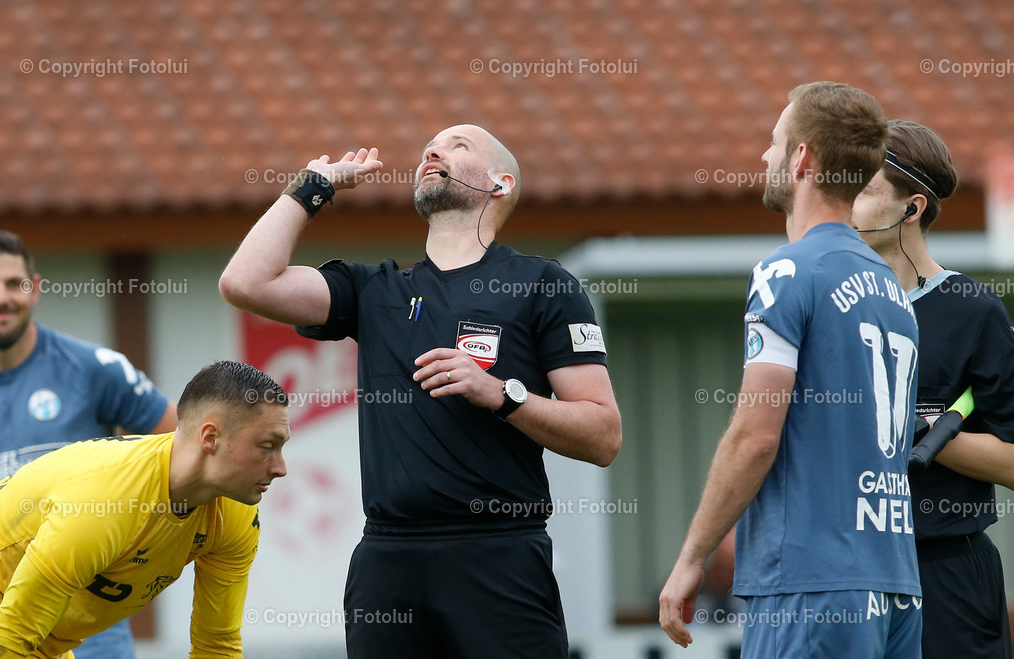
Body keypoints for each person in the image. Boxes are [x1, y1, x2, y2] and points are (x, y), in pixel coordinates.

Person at [219, 125, 622, 658]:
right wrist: (314, 185)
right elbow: (245, 283)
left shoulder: (543, 284)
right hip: (389, 559)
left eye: (459, 145)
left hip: (499, 555)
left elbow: (603, 435)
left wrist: (501, 393)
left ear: (499, 185)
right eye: (431, 146)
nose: (434, 150)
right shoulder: (375, 290)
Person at [659, 82, 922, 658]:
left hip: (812, 583)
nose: (764, 156)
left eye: (774, 142)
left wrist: (690, 558)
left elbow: (755, 438)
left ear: (801, 157)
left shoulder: (785, 273)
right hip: (896, 582)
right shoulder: (894, 291)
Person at [0, 360, 289, 659]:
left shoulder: (235, 512)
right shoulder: (104, 501)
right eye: (267, 446)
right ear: (210, 438)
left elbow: (217, 646)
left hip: (34, 638)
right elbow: (9, 638)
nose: (280, 468)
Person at [852, 119, 1014, 659]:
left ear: (912, 207)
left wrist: (921, 431)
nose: (845, 205)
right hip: (848, 571)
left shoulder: (976, 312)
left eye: (866, 190)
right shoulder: (829, 302)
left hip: (945, 573)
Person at [0, 229, 178, 659]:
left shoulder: (95, 369)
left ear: (34, 289)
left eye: (13, 284)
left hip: (88, 624)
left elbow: (184, 450)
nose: (1, 298)